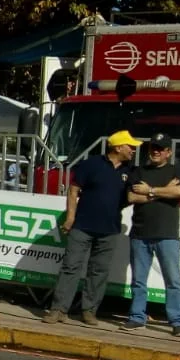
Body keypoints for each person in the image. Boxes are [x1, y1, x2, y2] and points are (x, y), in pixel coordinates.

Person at [43, 130, 139, 325]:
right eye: (131, 146)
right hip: (83, 225)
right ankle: (58, 309)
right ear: (118, 147)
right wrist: (70, 217)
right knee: (71, 267)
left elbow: (131, 197)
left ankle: (89, 311)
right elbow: (73, 190)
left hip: (110, 229)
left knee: (99, 271)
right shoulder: (91, 164)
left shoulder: (130, 171)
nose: (133, 150)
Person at [123, 133, 180, 335]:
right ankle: (137, 317)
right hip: (140, 233)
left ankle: (177, 320)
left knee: (173, 281)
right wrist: (161, 191)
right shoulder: (138, 171)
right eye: (153, 148)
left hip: (168, 235)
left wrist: (149, 190)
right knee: (139, 280)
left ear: (169, 152)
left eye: (160, 148)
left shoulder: (177, 170)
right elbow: (132, 196)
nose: (156, 151)